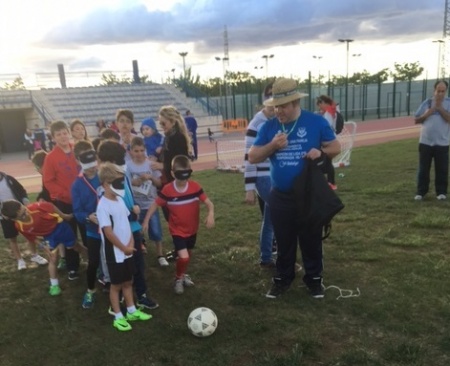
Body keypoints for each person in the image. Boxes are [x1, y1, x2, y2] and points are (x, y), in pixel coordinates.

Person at [248, 77, 341, 299]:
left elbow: (335, 146)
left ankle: (314, 280)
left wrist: (321, 153)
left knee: (311, 239)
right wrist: (273, 145)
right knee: (284, 240)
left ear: (295, 104)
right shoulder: (269, 127)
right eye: (275, 106)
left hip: (309, 194)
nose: (278, 111)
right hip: (280, 194)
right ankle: (283, 279)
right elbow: (252, 156)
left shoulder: (315, 122)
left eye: (283, 106)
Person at [97, 140, 159, 311]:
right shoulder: (106, 185)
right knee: (121, 270)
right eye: (120, 159)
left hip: (133, 230)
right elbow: (113, 214)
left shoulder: (122, 176)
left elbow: (128, 197)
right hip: (119, 235)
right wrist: (133, 213)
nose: (124, 162)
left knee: (137, 265)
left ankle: (140, 296)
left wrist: (134, 212)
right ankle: (120, 303)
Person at [142, 155, 215, 295]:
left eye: (186, 175)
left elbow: (208, 202)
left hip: (192, 229)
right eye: (180, 176)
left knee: (188, 254)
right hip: (177, 231)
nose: (183, 180)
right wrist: (146, 220)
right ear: (172, 173)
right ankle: (178, 279)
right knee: (184, 257)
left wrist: (210, 213)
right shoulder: (168, 190)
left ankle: (183, 274)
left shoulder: (195, 187)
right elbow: (155, 204)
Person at [96, 162, 152, 331]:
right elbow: (108, 233)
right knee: (116, 285)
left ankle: (132, 310)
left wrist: (132, 243)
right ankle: (117, 316)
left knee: (128, 281)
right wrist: (123, 247)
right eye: (118, 183)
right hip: (115, 253)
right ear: (106, 184)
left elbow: (126, 223)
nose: (122, 186)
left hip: (128, 249)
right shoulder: (103, 206)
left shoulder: (119, 200)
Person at [0, 199, 77, 296]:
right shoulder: (20, 226)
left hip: (60, 227)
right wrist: (43, 246)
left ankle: (93, 262)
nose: (26, 215)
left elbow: (50, 206)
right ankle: (54, 285)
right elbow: (32, 237)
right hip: (49, 236)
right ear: (14, 219)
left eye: (25, 211)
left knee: (75, 247)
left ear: (22, 205)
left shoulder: (35, 207)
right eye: (22, 216)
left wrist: (64, 215)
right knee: (52, 259)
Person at [42, 120, 82, 280]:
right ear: (53, 138)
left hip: (83, 200)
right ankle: (73, 267)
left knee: (88, 232)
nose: (63, 136)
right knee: (69, 235)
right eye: (59, 134)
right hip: (65, 203)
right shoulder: (50, 158)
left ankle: (94, 261)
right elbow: (49, 181)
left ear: (69, 133)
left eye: (65, 133)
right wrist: (65, 194)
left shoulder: (78, 150)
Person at [71, 142, 105, 309]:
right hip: (93, 230)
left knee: (113, 259)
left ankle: (114, 285)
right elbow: (76, 211)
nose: (92, 169)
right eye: (88, 167)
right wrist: (88, 217)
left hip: (110, 227)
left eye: (94, 165)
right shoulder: (77, 185)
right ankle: (90, 291)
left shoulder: (104, 175)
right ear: (81, 165)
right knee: (93, 262)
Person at [244, 94, 276, 268]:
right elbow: (248, 157)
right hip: (263, 177)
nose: (277, 110)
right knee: (278, 214)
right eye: (273, 107)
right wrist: (249, 188)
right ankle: (276, 255)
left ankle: (267, 257)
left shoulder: (274, 121)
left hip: (273, 175)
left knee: (271, 218)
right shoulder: (256, 124)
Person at [127, 136, 168, 266]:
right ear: (130, 151)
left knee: (156, 230)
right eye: (136, 151)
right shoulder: (128, 166)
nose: (139, 154)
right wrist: (138, 181)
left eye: (141, 150)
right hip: (135, 204)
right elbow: (127, 183)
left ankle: (160, 254)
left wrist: (150, 177)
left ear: (145, 150)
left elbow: (159, 183)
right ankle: (137, 251)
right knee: (136, 231)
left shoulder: (150, 164)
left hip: (151, 203)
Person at [0, 172, 48, 270]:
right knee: (12, 238)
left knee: (30, 234)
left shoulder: (8, 178)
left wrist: (25, 199)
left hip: (20, 212)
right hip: (5, 216)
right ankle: (20, 260)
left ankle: (34, 255)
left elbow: (21, 190)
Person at [414, 80, 450, 201]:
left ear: (446, 91)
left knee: (442, 169)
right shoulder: (427, 103)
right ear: (434, 90)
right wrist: (426, 114)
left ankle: (441, 192)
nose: (440, 93)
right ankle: (421, 192)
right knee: (424, 168)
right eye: (438, 91)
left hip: (442, 143)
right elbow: (416, 119)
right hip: (425, 142)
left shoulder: (448, 103)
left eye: (443, 91)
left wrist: (440, 109)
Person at [150, 105, 192, 186]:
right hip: (171, 179)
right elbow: (168, 156)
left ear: (173, 122)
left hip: (176, 181)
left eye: (163, 123)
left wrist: (163, 166)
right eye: (160, 124)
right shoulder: (169, 136)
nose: (161, 126)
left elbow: (181, 162)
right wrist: (157, 159)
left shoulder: (178, 137)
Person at [316, 95, 338, 190]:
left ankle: (330, 183)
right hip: (331, 138)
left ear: (324, 103)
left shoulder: (328, 113)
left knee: (326, 161)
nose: (319, 107)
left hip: (328, 140)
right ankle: (330, 182)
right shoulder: (332, 110)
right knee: (327, 161)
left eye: (320, 104)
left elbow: (326, 126)